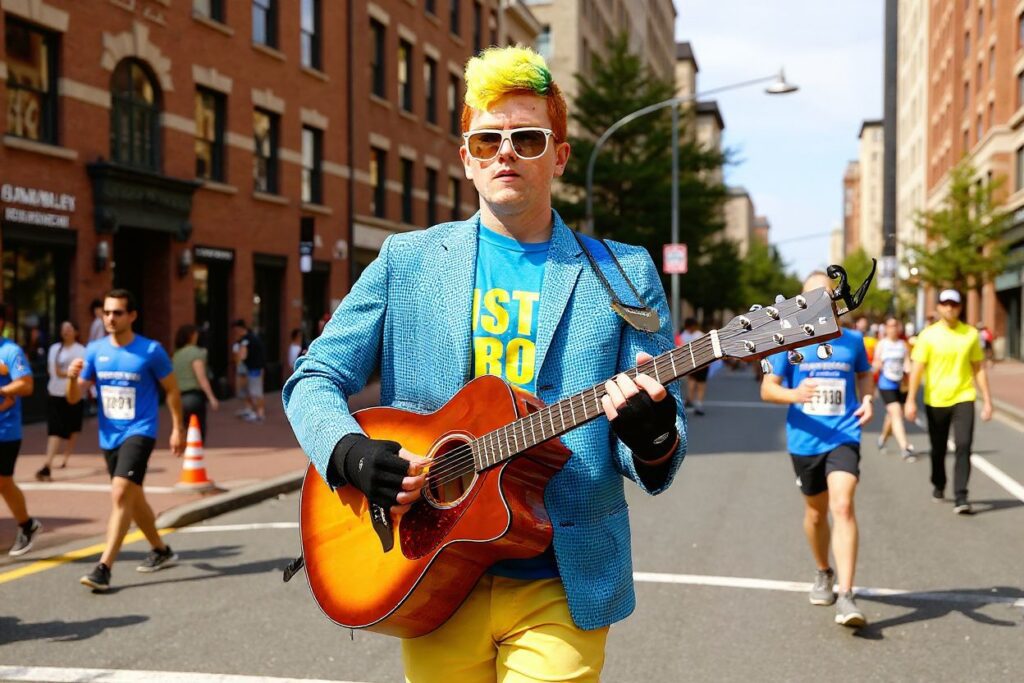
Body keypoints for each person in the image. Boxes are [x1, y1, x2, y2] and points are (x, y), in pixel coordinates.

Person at [283, 46, 685, 682]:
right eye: (487, 138)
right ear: (466, 157)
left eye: (527, 138)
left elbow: (663, 444)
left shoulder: (624, 272)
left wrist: (652, 433)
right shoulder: (405, 261)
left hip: (563, 573)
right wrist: (352, 454)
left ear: (558, 156)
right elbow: (314, 379)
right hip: (431, 569)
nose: (506, 151)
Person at [760, 272, 874, 628]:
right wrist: (796, 394)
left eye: (826, 296)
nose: (819, 303)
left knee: (842, 505)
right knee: (815, 514)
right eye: (811, 298)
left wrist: (868, 399)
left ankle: (847, 595)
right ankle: (823, 570)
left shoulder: (853, 340)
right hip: (805, 439)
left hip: (843, 434)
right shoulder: (789, 342)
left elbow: (864, 375)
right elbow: (768, 389)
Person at [67, 289, 185, 591]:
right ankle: (161, 550)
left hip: (140, 430)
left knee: (120, 494)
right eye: (106, 312)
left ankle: (103, 567)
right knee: (133, 497)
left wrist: (177, 428)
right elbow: (74, 398)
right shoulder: (94, 350)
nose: (110, 317)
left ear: (132, 316)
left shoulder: (150, 351)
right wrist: (70, 378)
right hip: (109, 436)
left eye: (117, 312)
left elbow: (171, 390)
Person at [904, 289, 993, 515]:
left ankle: (961, 496)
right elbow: (917, 369)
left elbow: (978, 368)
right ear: (939, 307)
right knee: (939, 448)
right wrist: (910, 400)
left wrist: (988, 401)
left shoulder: (970, 334)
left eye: (954, 304)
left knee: (963, 445)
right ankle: (938, 482)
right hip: (935, 399)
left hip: (964, 396)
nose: (950, 308)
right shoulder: (928, 335)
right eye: (945, 303)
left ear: (960, 307)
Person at [0, 303, 41, 556]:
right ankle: (27, 525)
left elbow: (27, 385)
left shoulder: (11, 351)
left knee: (3, 483)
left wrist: (3, 390)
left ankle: (27, 525)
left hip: (5, 430)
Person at [36, 321, 87, 481]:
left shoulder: (82, 350)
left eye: (69, 328)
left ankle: (65, 457)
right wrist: (69, 373)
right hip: (55, 393)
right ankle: (47, 465)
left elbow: (83, 373)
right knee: (55, 430)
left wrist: (66, 373)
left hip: (74, 394)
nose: (66, 331)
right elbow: (54, 372)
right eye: (63, 328)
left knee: (73, 429)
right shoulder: (54, 349)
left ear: (76, 332)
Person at [873, 317, 914, 461]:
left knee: (892, 416)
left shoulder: (903, 345)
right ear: (886, 328)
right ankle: (905, 447)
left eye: (895, 325)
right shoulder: (882, 344)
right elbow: (876, 362)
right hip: (886, 383)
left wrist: (910, 376)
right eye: (890, 326)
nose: (893, 328)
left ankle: (883, 438)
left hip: (900, 384)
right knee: (896, 413)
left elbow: (907, 363)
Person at [173, 324, 219, 442]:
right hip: (193, 397)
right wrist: (212, 397)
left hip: (179, 397)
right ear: (192, 336)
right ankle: (195, 456)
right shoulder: (196, 353)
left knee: (184, 428)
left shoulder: (176, 354)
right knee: (198, 432)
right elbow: (202, 378)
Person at [232, 319, 265, 423]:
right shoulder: (252, 337)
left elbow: (243, 355)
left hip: (253, 368)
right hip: (255, 368)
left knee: (255, 392)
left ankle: (259, 414)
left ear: (239, 329)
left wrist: (237, 358)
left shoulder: (246, 340)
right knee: (253, 391)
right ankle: (253, 411)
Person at [677, 318, 708, 415]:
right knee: (701, 384)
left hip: (690, 362)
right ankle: (699, 403)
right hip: (702, 362)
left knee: (691, 380)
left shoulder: (682, 336)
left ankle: (689, 399)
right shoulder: (700, 335)